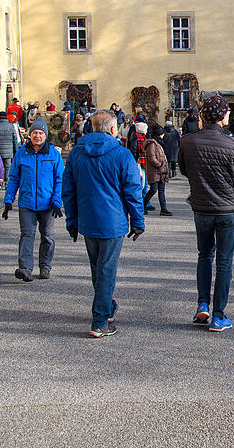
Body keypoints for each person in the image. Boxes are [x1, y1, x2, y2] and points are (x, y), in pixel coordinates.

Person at [62, 109, 144, 338]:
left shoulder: (77, 153)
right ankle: (100, 319)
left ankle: (106, 307)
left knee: (98, 268)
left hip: (88, 220)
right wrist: (137, 220)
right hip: (113, 220)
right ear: (112, 129)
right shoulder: (121, 154)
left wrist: (72, 219)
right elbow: (132, 191)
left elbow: (69, 190)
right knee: (106, 269)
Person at [178, 94, 234, 332]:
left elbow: (184, 170)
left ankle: (202, 304)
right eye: (227, 112)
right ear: (221, 116)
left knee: (204, 255)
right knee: (224, 260)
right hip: (228, 207)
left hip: (201, 205)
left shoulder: (187, 141)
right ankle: (219, 315)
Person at [2, 117, 64, 282]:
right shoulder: (22, 153)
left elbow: (60, 180)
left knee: (48, 236)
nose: (37, 136)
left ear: (45, 136)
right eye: (35, 133)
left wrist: (57, 201)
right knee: (27, 235)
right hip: (27, 203)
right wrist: (8, 200)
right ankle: (25, 268)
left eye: (40, 133)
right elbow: (14, 178)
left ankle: (45, 266)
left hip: (48, 203)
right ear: (30, 135)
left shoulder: (53, 154)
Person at [143, 125, 172, 216]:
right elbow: (151, 158)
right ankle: (143, 205)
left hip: (160, 171)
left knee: (161, 190)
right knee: (153, 189)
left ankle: (163, 209)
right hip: (155, 171)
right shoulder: (152, 144)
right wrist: (160, 165)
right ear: (159, 134)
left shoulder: (158, 143)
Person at [0, 111, 20, 183]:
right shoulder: (11, 126)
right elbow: (15, 139)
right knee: (7, 167)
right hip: (8, 151)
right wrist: (15, 150)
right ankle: (6, 182)